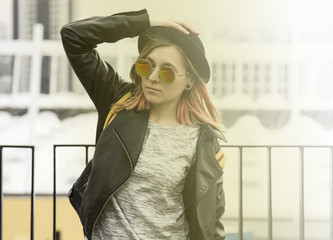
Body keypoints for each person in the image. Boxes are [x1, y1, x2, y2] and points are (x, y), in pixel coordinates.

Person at [61, 8, 227, 240]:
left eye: (167, 72)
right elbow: (73, 36)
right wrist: (144, 22)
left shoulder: (203, 141)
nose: (153, 77)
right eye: (146, 66)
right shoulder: (117, 100)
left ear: (189, 80)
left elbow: (212, 222)